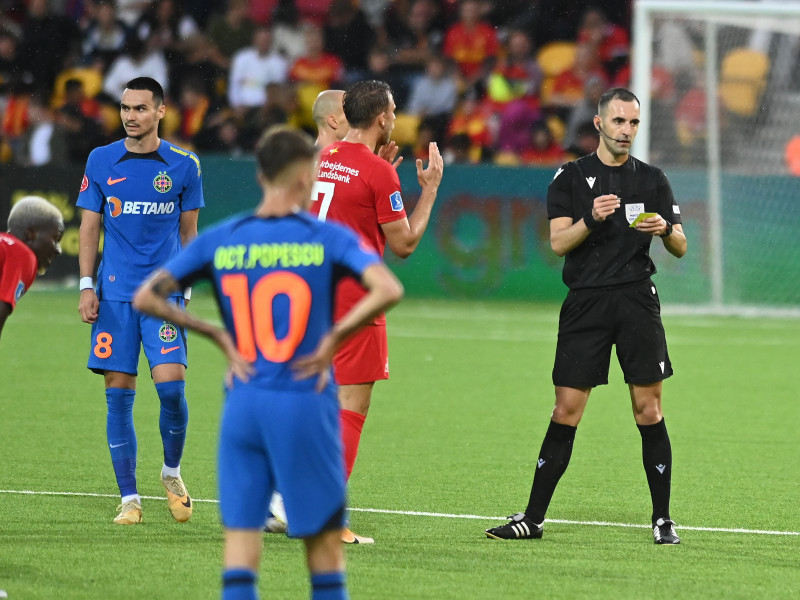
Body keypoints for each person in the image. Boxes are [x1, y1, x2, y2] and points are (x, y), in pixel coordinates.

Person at [132, 125, 404, 600]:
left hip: (245, 402)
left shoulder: (225, 238)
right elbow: (388, 288)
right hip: (305, 399)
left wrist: (216, 333)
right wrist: (335, 336)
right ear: (306, 177)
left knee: (241, 547)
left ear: (260, 175)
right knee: (322, 549)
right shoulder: (326, 237)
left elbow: (146, 296)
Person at [485, 87, 687, 545]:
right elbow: (558, 243)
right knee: (566, 410)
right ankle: (533, 519)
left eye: (633, 123)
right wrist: (591, 219)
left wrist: (667, 231)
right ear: (598, 123)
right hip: (586, 304)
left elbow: (680, 245)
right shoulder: (570, 178)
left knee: (649, 409)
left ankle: (662, 520)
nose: (626, 131)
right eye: (618, 121)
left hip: (637, 301)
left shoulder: (652, 178)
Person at [310, 79, 443, 543]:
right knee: (351, 407)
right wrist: (428, 190)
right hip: (357, 298)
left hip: (313, 295)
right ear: (384, 117)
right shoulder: (377, 171)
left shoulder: (322, 158)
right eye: (392, 110)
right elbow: (403, 244)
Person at [77, 76, 205, 525]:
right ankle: (129, 498)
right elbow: (89, 228)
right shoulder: (100, 159)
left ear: (160, 112)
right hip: (114, 297)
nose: (131, 116)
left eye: (140, 109)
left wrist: (186, 289)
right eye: (126, 108)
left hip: (164, 298)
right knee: (119, 397)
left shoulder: (185, 165)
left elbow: (189, 234)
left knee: (171, 388)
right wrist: (86, 285)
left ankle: (171, 473)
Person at [0, 196, 64, 341]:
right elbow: (1, 307)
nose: (58, 250)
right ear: (30, 234)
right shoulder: (22, 254)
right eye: (55, 239)